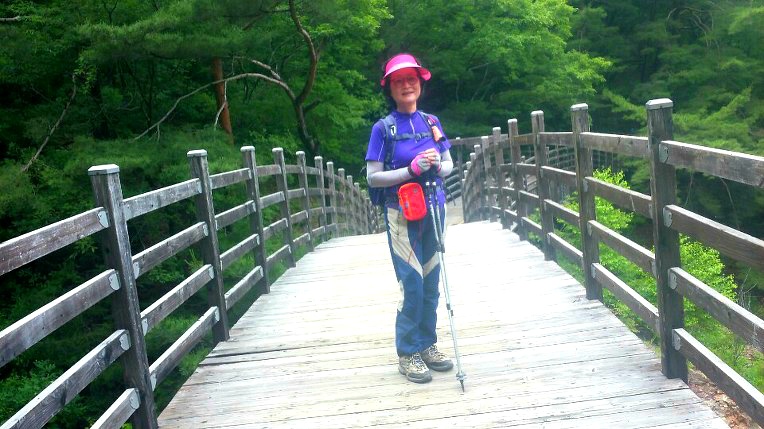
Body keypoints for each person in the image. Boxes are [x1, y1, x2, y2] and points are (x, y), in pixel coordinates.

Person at [365, 53, 455, 384]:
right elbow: (373, 177)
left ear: (420, 83)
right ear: (390, 88)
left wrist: (436, 165)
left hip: (434, 209)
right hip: (401, 214)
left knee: (431, 282)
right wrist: (410, 170)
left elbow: (449, 165)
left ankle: (427, 344)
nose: (407, 85)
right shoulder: (382, 129)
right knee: (412, 284)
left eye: (412, 79)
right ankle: (407, 352)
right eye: (399, 81)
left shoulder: (432, 122)